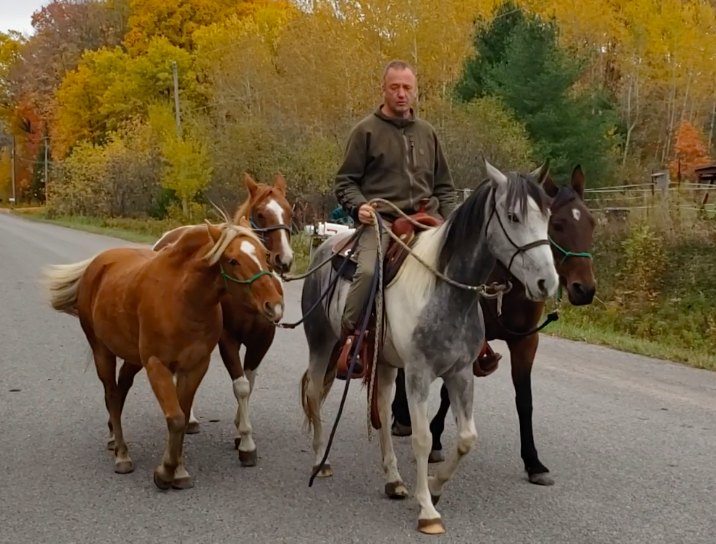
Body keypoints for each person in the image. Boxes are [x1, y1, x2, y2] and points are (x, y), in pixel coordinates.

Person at [332, 59, 456, 374]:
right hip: (382, 220)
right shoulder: (365, 131)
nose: (401, 94)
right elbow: (344, 182)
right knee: (369, 271)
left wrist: (454, 225)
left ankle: (473, 342)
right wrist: (358, 206)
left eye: (407, 88)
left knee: (465, 265)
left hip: (427, 219)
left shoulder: (428, 132)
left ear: (415, 92)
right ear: (383, 90)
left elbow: (445, 187)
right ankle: (352, 337)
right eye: (395, 87)